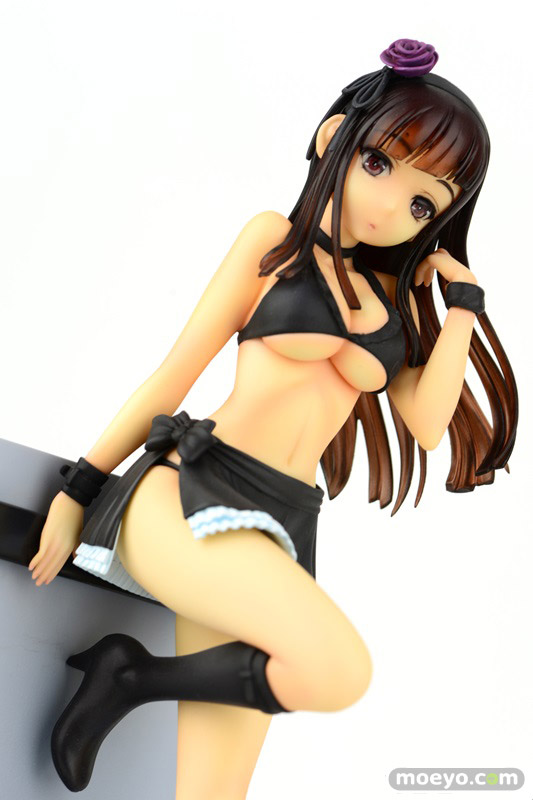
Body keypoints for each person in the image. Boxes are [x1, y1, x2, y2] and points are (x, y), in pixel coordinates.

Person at [28, 39, 517, 796]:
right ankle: (128, 678)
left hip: (281, 526)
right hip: (190, 497)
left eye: (424, 203)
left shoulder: (391, 308)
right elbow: (172, 375)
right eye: (379, 164)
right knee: (337, 669)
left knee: (214, 791)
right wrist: (80, 489)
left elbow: (426, 423)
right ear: (333, 138)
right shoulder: (273, 245)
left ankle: (129, 677)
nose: (392, 206)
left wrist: (461, 310)